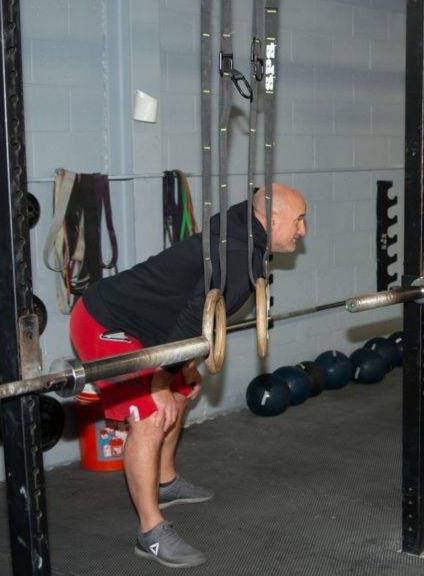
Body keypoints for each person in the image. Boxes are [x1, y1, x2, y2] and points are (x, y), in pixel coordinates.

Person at [69, 183, 307, 567]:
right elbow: (197, 314)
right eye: (298, 220)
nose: (302, 230)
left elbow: (197, 314)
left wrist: (182, 371)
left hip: (148, 331)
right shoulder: (238, 252)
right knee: (148, 414)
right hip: (105, 322)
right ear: (271, 218)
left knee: (180, 394)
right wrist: (160, 381)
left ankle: (165, 483)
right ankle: (150, 532)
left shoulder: (243, 234)